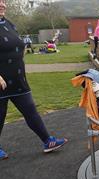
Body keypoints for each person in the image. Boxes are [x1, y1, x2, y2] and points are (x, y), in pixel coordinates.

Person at [0, 0, 67, 160]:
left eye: (3, 1)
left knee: (30, 110)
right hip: (0, 82)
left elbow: (19, 47)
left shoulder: (8, 23)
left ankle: (47, 141)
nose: (2, 4)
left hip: (17, 79)